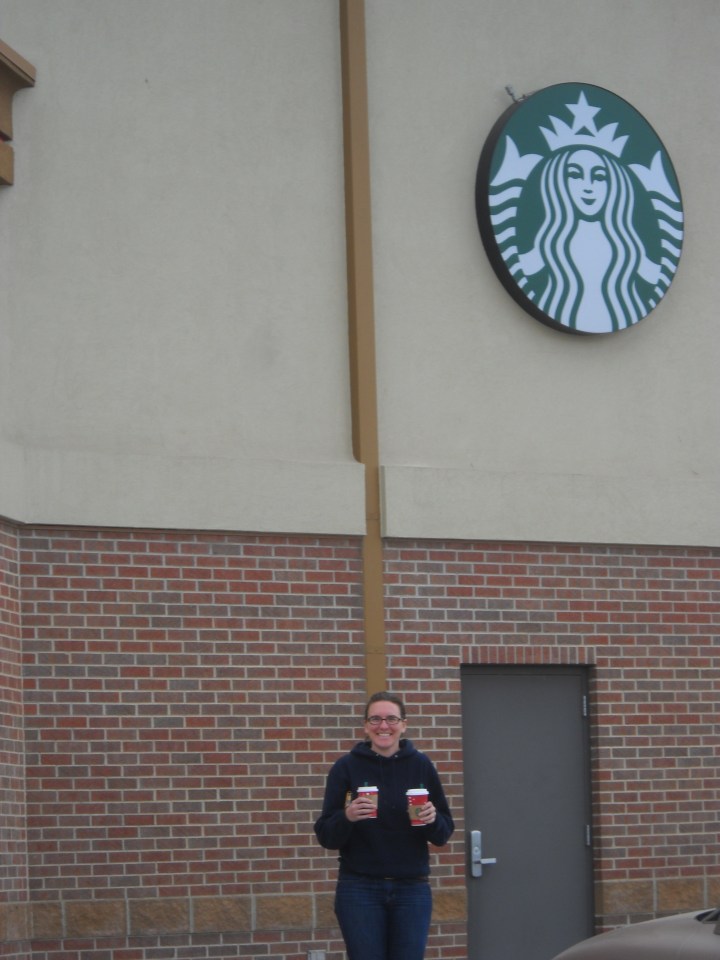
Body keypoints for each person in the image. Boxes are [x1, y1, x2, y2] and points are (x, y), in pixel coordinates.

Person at [314, 691, 454, 960]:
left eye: (391, 719)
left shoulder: (421, 765)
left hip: (411, 888)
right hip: (359, 888)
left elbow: (443, 833)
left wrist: (432, 819)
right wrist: (347, 816)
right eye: (375, 719)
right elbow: (326, 836)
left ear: (404, 724)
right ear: (366, 726)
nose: (383, 726)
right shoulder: (346, 767)